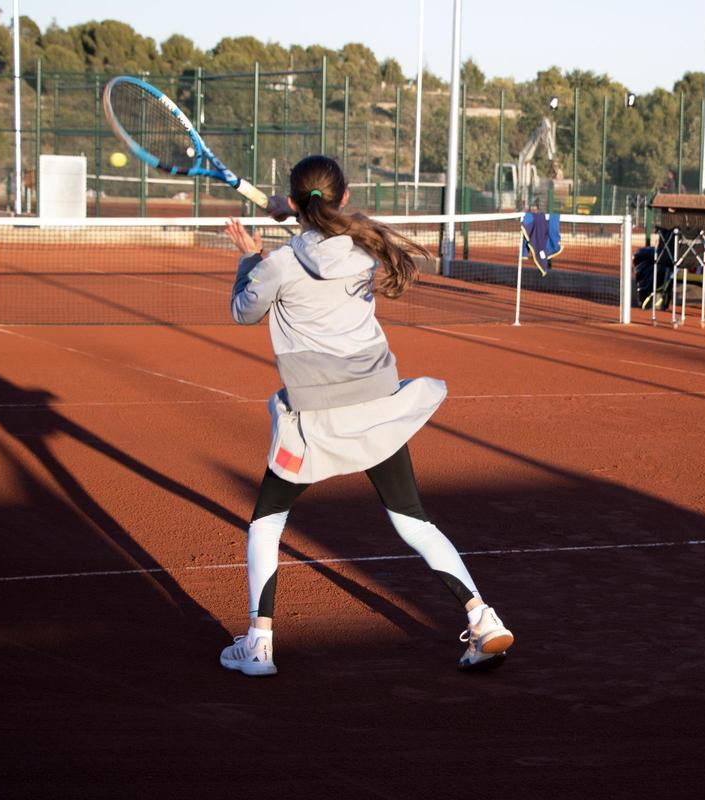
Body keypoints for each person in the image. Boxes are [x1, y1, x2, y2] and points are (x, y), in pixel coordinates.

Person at [219, 154, 514, 676]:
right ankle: (484, 618)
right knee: (413, 520)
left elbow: (244, 311)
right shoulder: (364, 248)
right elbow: (325, 239)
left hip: (315, 421)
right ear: (345, 198)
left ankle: (259, 644)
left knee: (266, 522)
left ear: (296, 203)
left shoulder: (278, 264)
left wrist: (250, 257)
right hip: (378, 410)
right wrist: (295, 220)